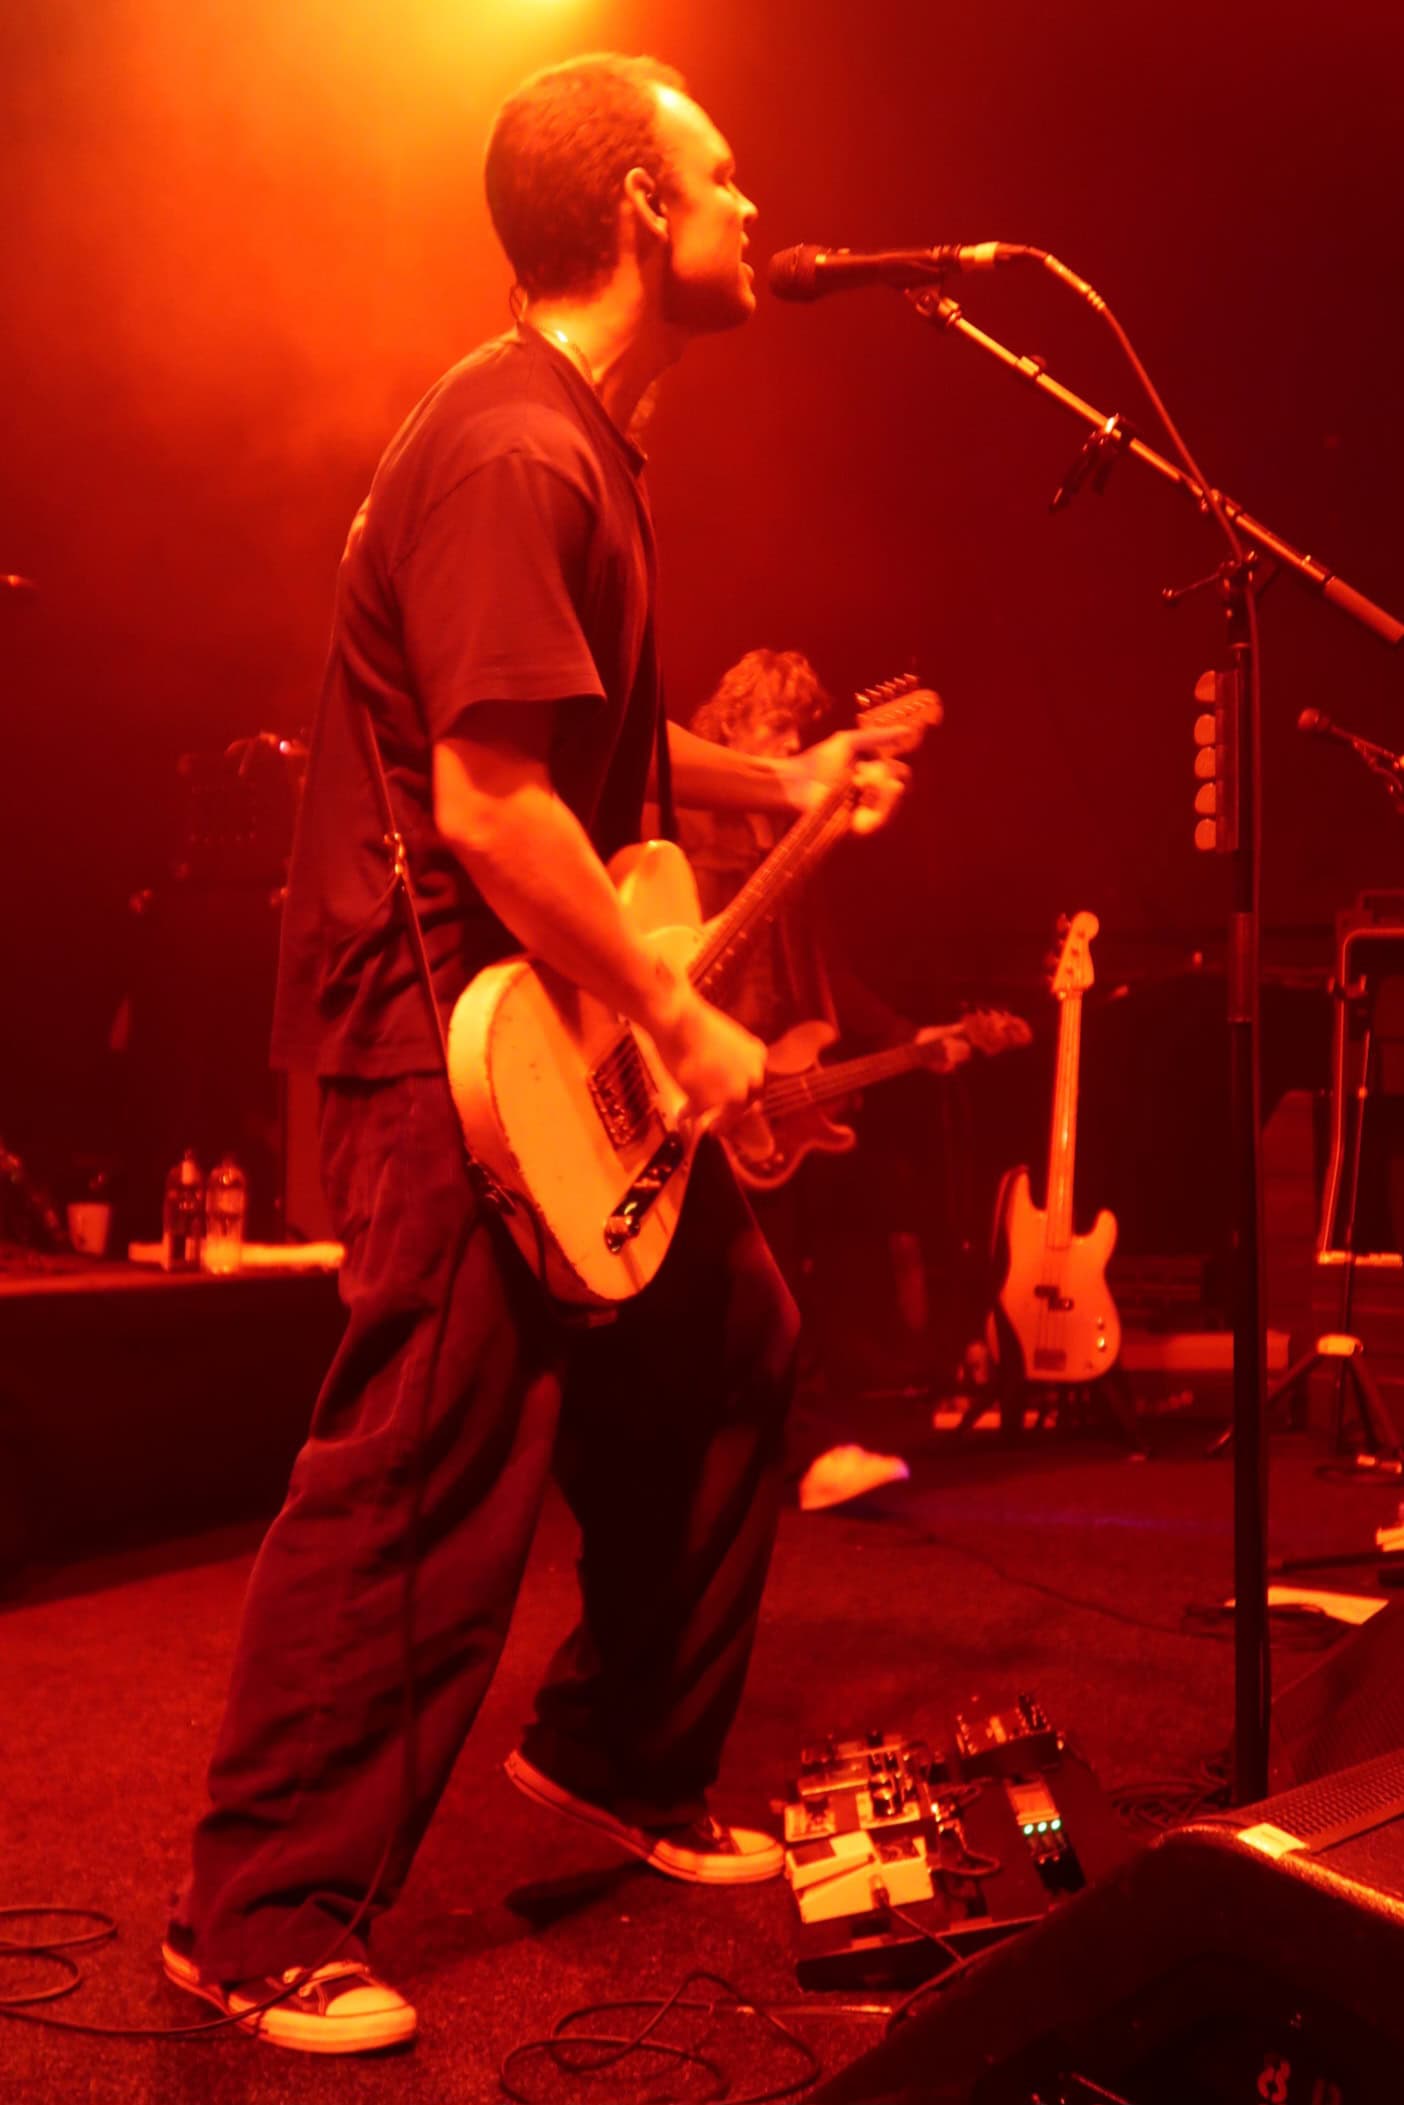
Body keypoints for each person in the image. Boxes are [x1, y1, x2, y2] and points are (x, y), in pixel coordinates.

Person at [161, 53, 917, 2057]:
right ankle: (257, 1914)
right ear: (640, 213)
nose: (753, 209)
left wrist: (782, 782)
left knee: (727, 1353)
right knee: (430, 1457)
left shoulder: (579, 444)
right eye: (720, 176)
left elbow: (583, 725)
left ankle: (615, 1753)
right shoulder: (515, 448)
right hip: (444, 1019)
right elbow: (493, 802)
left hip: (538, 1009)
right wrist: (682, 1015)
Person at [674, 649, 968, 1511]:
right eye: (776, 724)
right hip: (696, 1072)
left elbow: (824, 968)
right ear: (729, 724)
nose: (791, 743)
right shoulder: (690, 818)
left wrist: (910, 1036)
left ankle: (789, 1453)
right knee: (717, 1282)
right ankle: (757, 1458)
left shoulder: (790, 836)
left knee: (782, 1275)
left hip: (772, 1088)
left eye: (801, 729)